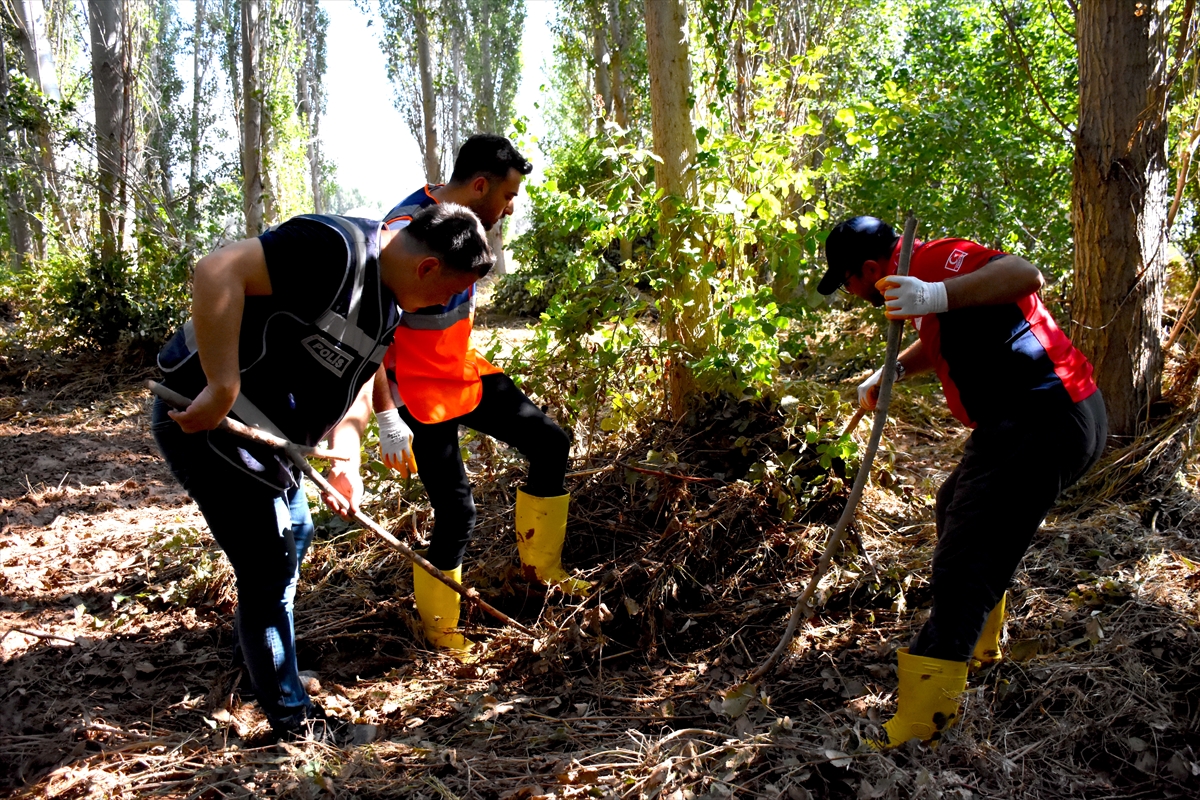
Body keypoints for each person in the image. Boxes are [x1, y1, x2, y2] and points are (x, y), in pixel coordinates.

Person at [151, 204, 493, 741]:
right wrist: (221, 386)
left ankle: (262, 664)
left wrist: (347, 459)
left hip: (273, 440)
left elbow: (358, 381)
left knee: (296, 532)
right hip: (209, 421)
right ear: (427, 268)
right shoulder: (334, 249)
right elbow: (217, 269)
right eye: (449, 291)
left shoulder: (389, 304)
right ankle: (295, 722)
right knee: (269, 566)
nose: (444, 304)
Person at [818, 216, 1107, 750]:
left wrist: (934, 293)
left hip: (1042, 419)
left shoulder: (930, 261)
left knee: (964, 563)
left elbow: (1024, 274)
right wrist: (894, 370)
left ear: (870, 269)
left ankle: (921, 726)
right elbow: (946, 336)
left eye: (848, 282)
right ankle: (979, 644)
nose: (851, 294)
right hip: (1047, 416)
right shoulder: (914, 282)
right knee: (954, 504)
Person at [372, 134, 587, 661]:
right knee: (456, 509)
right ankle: (441, 630)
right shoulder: (405, 233)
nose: (510, 208)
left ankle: (541, 572)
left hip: (461, 371)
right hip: (416, 389)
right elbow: (368, 330)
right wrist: (385, 416)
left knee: (551, 443)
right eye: (508, 196)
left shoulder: (469, 225)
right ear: (480, 185)